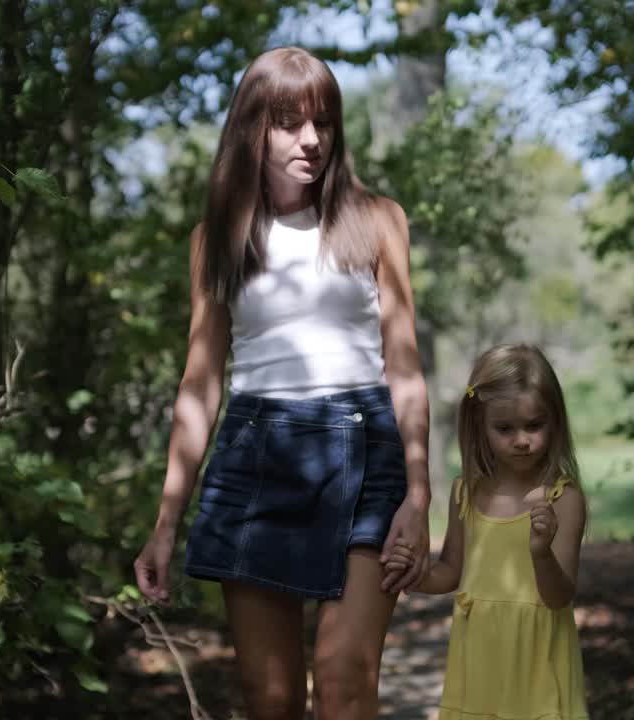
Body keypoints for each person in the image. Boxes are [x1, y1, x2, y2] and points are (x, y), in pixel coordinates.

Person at [131, 46, 431, 720]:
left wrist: (419, 493)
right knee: (270, 700)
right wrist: (165, 522)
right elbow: (201, 381)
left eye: (322, 122)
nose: (311, 140)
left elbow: (404, 364)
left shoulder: (379, 220)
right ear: (251, 130)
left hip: (367, 449)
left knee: (343, 679)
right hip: (254, 453)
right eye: (290, 123)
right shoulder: (217, 238)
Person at [388, 343, 589, 719]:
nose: (521, 439)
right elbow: (451, 570)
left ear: (555, 421)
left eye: (534, 425)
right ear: (479, 424)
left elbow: (560, 595)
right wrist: (416, 574)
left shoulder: (564, 499)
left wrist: (541, 552)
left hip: (536, 660)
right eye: (505, 428)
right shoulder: (467, 492)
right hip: (479, 657)